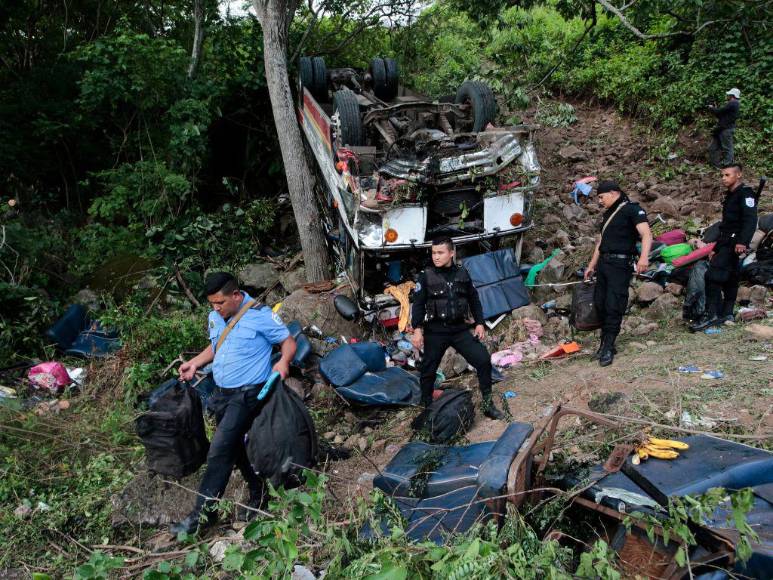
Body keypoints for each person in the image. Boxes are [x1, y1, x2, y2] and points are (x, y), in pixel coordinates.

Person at [171, 272, 296, 535]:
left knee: (218, 450)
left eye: (220, 303)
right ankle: (258, 490)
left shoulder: (260, 315)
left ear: (236, 295)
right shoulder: (216, 317)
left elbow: (287, 341)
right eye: (212, 304)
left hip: (248, 394)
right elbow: (217, 346)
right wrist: (195, 363)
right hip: (222, 393)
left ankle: (201, 516)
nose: (216, 309)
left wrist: (283, 362)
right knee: (235, 447)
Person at [410, 237, 504, 420]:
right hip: (436, 331)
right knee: (428, 369)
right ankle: (427, 406)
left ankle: (487, 405)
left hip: (459, 330)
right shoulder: (426, 275)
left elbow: (474, 299)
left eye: (440, 253)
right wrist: (418, 329)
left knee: (483, 360)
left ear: (451, 253)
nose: (435, 257)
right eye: (433, 253)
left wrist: (479, 322)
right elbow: (418, 304)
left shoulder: (462, 273)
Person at [584, 181, 652, 367]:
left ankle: (608, 345)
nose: (599, 201)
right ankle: (605, 342)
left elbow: (646, 234)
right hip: (605, 263)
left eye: (601, 196)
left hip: (621, 264)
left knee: (614, 304)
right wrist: (592, 265)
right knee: (600, 302)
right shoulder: (608, 214)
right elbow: (601, 242)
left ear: (614, 193)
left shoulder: (632, 210)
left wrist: (643, 258)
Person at [690, 164, 758, 332]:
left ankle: (711, 314)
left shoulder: (745, 194)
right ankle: (727, 313)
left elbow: (750, 220)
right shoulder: (731, 196)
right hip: (726, 242)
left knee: (712, 276)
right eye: (722, 175)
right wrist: (716, 247)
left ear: (739, 175)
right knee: (731, 277)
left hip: (736, 243)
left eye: (727, 175)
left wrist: (742, 242)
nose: (723, 178)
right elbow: (726, 226)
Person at [708, 88, 740, 168]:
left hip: (726, 129)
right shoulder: (733, 104)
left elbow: (719, 111)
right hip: (722, 128)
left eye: (728, 95)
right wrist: (714, 108)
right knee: (713, 147)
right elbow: (720, 115)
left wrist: (712, 108)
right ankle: (716, 164)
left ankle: (727, 165)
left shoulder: (733, 103)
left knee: (727, 148)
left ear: (732, 96)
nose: (727, 96)